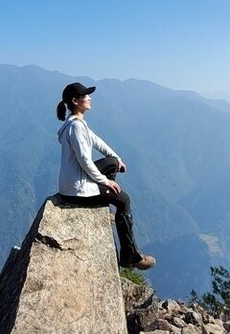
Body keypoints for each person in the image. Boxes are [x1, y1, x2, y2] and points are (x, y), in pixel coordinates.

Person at [55, 81, 155, 270]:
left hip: (73, 184)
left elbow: (98, 142)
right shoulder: (76, 127)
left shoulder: (77, 123)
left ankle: (106, 198)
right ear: (75, 101)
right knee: (124, 200)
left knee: (111, 162)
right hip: (78, 190)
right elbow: (85, 160)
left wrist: (117, 159)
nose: (89, 98)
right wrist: (105, 181)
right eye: (85, 96)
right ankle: (130, 257)